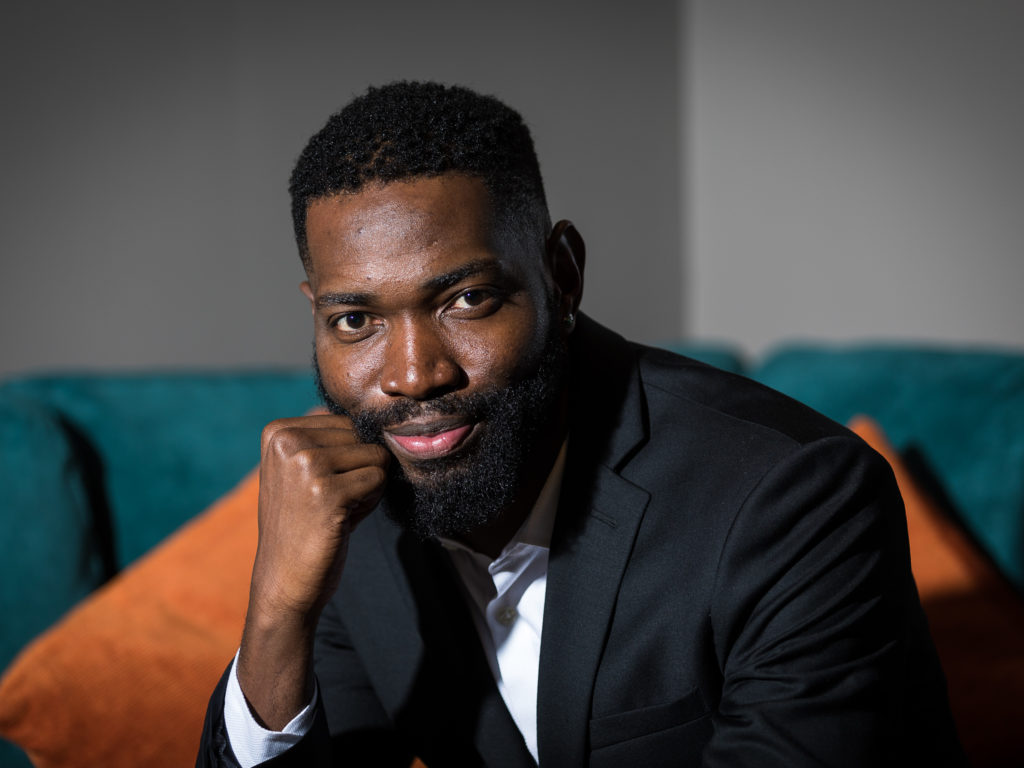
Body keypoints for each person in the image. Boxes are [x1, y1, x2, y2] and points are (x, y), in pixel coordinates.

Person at [197, 81, 962, 767]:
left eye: (466, 299)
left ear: (561, 277)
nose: (412, 375)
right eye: (356, 318)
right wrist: (275, 613)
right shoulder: (349, 514)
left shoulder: (794, 498)